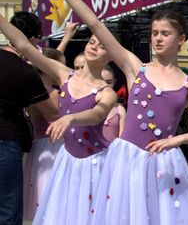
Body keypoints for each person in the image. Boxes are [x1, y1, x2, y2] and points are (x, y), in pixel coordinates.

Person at [26, 0, 188, 224]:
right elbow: (95, 23)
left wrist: (177, 140)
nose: (157, 38)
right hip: (127, 160)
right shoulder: (136, 67)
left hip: (164, 162)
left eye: (165, 33)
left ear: (181, 38)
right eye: (154, 33)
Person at [0, 12, 116, 225]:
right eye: (91, 42)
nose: (93, 47)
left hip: (94, 164)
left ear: (111, 55)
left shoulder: (106, 91)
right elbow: (23, 46)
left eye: (100, 46)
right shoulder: (65, 75)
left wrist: (71, 119)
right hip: (66, 161)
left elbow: (98, 114)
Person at [0, 12, 57, 225]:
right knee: (8, 210)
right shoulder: (24, 71)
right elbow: (51, 111)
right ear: (32, 40)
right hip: (6, 141)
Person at [23, 48, 65, 221]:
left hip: (37, 148)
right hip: (54, 147)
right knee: (53, 193)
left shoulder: (32, 92)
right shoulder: (53, 94)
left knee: (40, 193)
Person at [100, 66, 127, 142]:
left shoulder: (120, 110)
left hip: (113, 153)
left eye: (109, 82)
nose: (105, 85)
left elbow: (122, 141)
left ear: (114, 82)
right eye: (101, 81)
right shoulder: (87, 106)